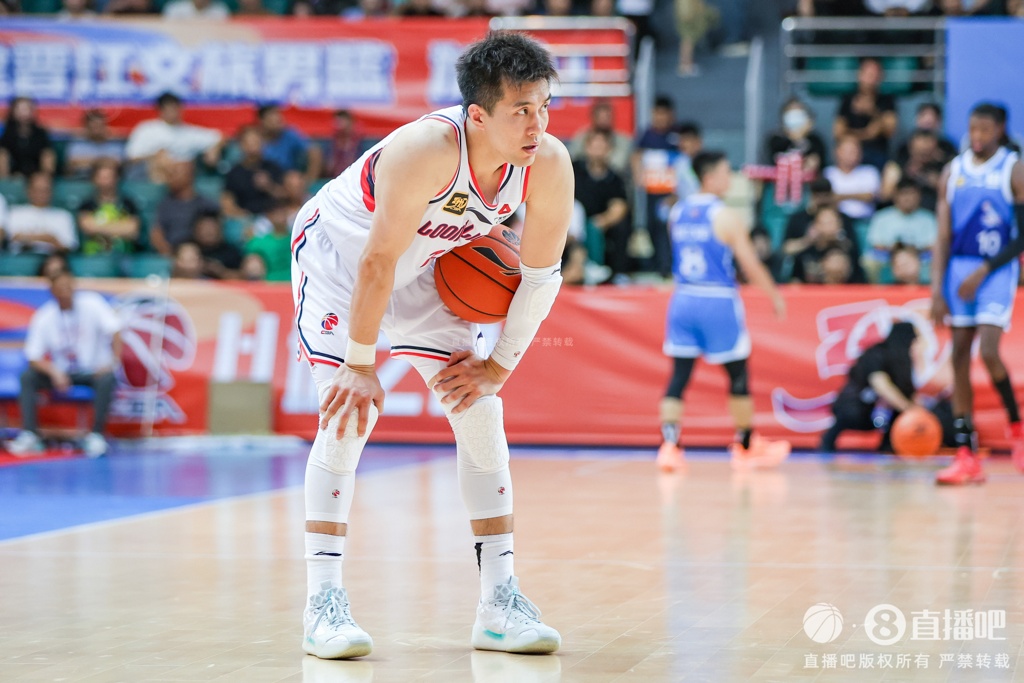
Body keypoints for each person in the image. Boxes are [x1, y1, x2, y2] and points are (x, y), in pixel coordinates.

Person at [290, 31, 569, 660]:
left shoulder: (548, 163)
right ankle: (322, 606)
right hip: (341, 262)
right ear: (478, 116)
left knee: (480, 412)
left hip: (422, 266)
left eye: (544, 107)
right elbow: (375, 263)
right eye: (521, 111)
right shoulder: (426, 149)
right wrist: (360, 364)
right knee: (346, 414)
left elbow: (540, 277)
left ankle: (499, 605)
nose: (537, 125)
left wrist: (497, 366)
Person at [656, 150, 790, 473]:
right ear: (710, 177)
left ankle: (670, 446)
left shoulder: (677, 211)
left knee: (679, 376)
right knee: (738, 375)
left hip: (684, 298)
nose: (729, 179)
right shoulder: (725, 215)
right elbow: (750, 264)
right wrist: (774, 296)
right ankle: (746, 445)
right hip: (716, 300)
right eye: (725, 173)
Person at [930, 103, 1024, 484]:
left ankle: (1016, 425)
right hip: (959, 270)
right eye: (973, 129)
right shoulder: (953, 171)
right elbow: (941, 237)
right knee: (957, 354)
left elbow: (1022, 237)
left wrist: (984, 271)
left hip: (996, 269)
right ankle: (966, 453)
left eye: (985, 129)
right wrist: (937, 290)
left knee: (987, 350)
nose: (978, 136)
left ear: (999, 129)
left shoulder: (1013, 169)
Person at [6, 269, 121, 458]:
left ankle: (96, 436)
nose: (66, 292)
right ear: (52, 291)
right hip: (62, 373)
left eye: (69, 287)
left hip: (92, 372)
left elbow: (115, 330)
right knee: (27, 377)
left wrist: (112, 362)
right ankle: (30, 435)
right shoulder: (45, 316)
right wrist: (54, 372)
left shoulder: (92, 303)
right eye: (61, 288)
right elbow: (32, 356)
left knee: (108, 378)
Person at [819, 321, 918, 452]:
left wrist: (916, 410)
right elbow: (881, 385)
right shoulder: (877, 354)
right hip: (856, 407)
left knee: (898, 417)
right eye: (913, 341)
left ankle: (888, 447)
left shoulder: (903, 364)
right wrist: (908, 409)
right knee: (849, 416)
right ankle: (827, 445)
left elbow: (908, 392)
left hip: (883, 416)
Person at [124, 92, 223, 183]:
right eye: (168, 108)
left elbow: (219, 137)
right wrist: (156, 156)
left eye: (175, 108)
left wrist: (214, 150)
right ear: (160, 110)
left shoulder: (189, 132)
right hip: (152, 177)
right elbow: (132, 157)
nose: (172, 112)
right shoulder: (146, 130)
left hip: (183, 178)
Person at [77, 160, 141, 255]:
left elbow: (132, 230)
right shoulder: (87, 204)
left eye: (108, 177)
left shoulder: (128, 203)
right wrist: (120, 227)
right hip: (93, 255)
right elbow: (87, 227)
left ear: (116, 178)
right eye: (101, 177)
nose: (105, 181)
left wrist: (98, 227)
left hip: (124, 255)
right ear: (94, 179)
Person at [4, 173, 77, 254]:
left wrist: (27, 238)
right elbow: (11, 239)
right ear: (28, 190)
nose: (41, 194)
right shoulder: (14, 213)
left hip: (51, 259)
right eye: (37, 190)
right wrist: (48, 238)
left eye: (45, 190)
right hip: (19, 258)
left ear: (52, 191)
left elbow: (68, 247)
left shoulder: (64, 216)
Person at [0, 97, 56, 179]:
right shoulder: (7, 133)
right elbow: (3, 155)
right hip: (14, 174)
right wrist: (7, 177)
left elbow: (47, 154)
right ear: (13, 111)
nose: (23, 113)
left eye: (26, 109)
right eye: (19, 109)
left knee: (47, 155)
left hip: (37, 174)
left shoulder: (40, 133)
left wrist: (43, 175)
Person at [64, 110, 126, 180]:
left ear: (105, 126)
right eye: (93, 127)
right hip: (81, 178)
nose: (97, 131)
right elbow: (73, 163)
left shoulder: (114, 142)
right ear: (86, 127)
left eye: (99, 126)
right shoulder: (78, 142)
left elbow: (117, 163)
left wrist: (88, 162)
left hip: (108, 181)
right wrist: (102, 162)